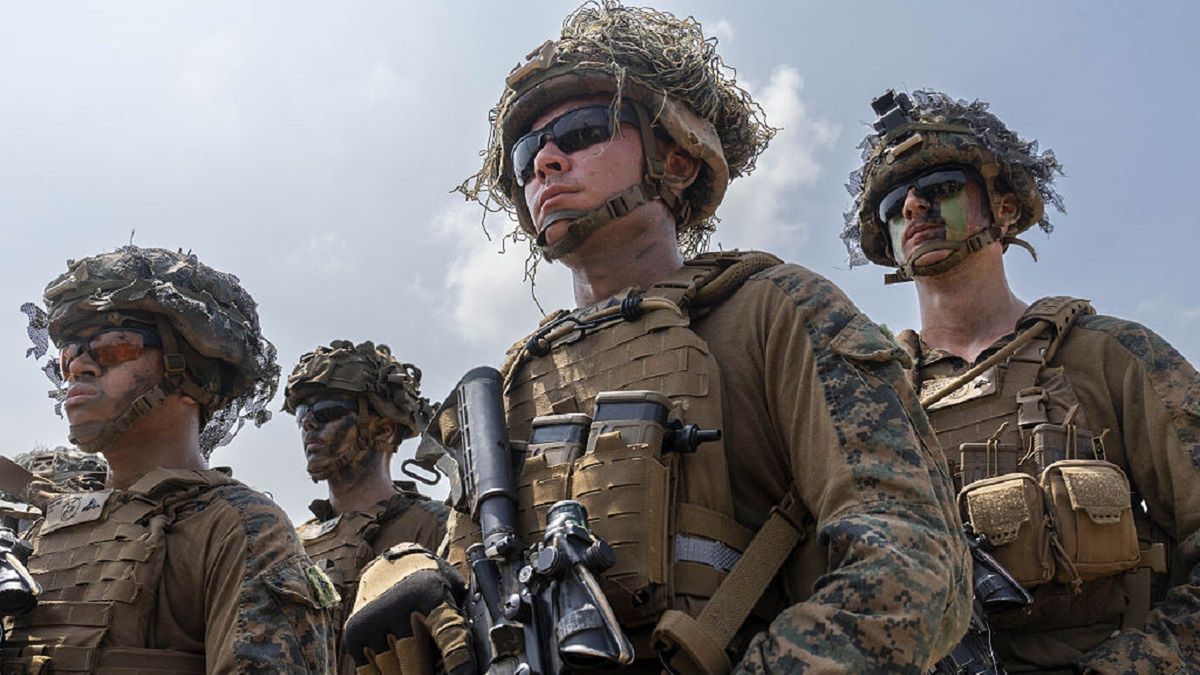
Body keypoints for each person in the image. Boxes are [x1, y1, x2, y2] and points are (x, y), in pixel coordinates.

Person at [349, 4, 969, 673]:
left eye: (583, 130)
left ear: (677, 162)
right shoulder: (508, 387)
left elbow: (913, 561)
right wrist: (405, 581)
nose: (547, 162)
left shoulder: (773, 312)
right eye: (528, 155)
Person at [843, 88, 1200, 672]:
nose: (911, 209)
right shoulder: (875, 401)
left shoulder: (1108, 357)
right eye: (893, 207)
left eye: (940, 190)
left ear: (1003, 209)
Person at [2, 245, 337, 673]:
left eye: (114, 348)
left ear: (189, 372)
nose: (80, 368)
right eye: (70, 355)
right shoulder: (45, 528)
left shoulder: (238, 527)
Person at [283, 339, 449, 675]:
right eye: (303, 415)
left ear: (385, 431)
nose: (309, 425)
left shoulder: (437, 527)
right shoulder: (289, 542)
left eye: (327, 412)